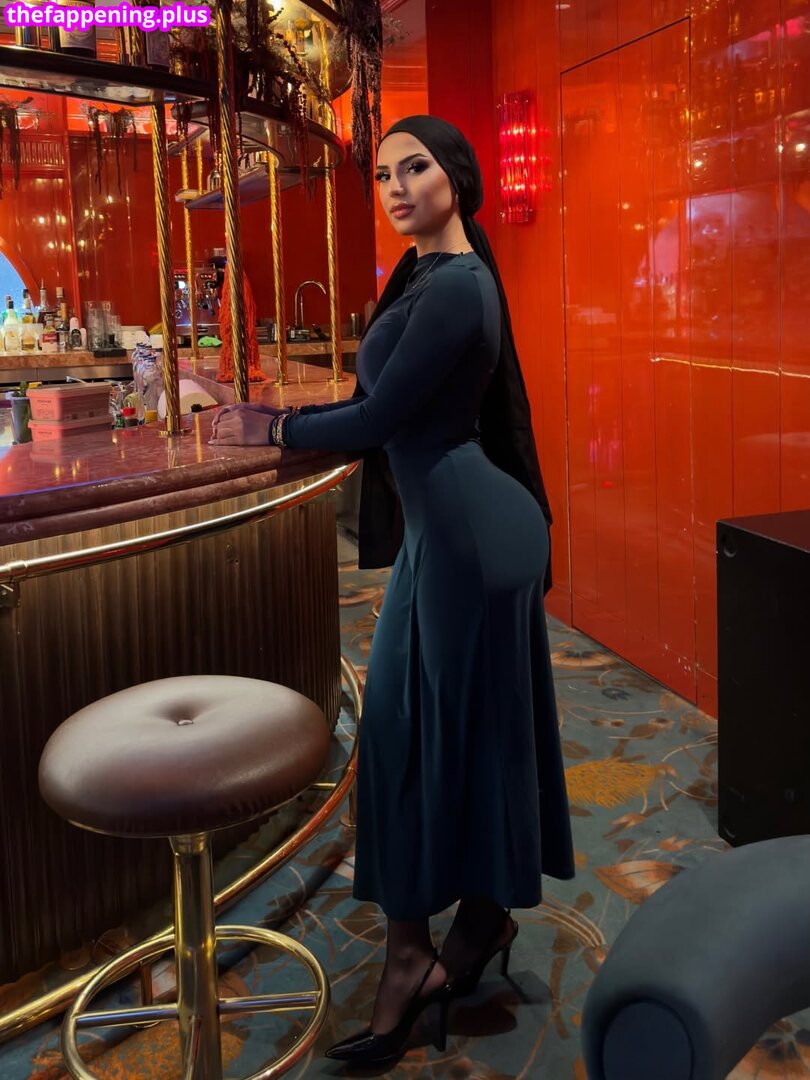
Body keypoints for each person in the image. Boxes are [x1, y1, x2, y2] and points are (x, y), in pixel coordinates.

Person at [210, 115, 575, 1066]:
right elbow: (387, 403)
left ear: (457, 175)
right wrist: (286, 418)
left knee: (411, 733)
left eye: (415, 168)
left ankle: (418, 953)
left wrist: (271, 428)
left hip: (470, 534)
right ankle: (472, 924)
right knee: (444, 730)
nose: (396, 187)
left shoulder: (458, 285)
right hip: (446, 531)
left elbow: (379, 418)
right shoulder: (422, 275)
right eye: (382, 175)